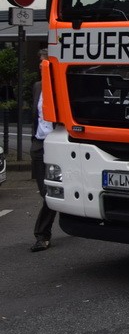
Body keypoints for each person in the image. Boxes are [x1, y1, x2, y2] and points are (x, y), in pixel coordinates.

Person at [31, 49, 55, 252]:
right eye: (40, 63)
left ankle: (42, 235)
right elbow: (36, 117)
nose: (40, 67)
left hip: (56, 145)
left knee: (50, 193)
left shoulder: (60, 87)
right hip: (39, 145)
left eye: (44, 63)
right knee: (46, 192)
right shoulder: (37, 87)